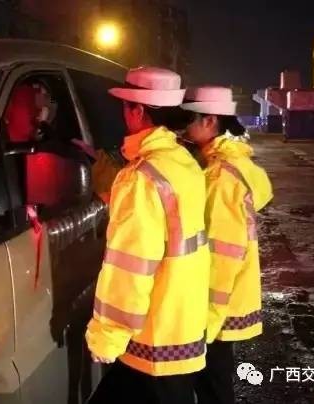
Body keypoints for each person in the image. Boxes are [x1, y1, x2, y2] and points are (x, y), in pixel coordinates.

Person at [85, 67, 210, 404]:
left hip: (153, 338)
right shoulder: (182, 162)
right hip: (183, 322)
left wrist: (108, 337)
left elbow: (130, 268)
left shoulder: (140, 178)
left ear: (138, 111)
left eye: (125, 107)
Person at [181, 86, 273, 404]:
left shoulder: (220, 178)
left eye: (187, 120)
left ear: (209, 121)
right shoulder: (232, 163)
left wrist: (206, 321)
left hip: (214, 308)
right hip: (227, 301)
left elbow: (223, 255)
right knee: (216, 383)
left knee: (214, 387)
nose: (180, 128)